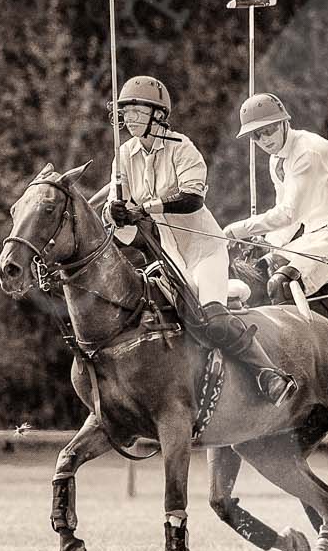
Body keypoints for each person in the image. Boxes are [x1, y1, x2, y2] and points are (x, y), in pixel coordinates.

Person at [108, 74, 294, 407]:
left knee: (212, 318)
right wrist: (116, 214)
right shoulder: (123, 155)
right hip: (168, 254)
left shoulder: (182, 148)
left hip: (205, 249)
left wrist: (145, 207)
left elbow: (191, 198)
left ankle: (269, 374)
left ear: (158, 115)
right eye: (126, 112)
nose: (129, 119)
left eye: (137, 111)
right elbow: (118, 213)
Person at [223, 92, 328, 302]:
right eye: (256, 135)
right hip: (311, 238)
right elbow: (286, 224)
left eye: (269, 129)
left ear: (284, 123)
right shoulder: (277, 161)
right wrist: (267, 244)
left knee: (283, 284)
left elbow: (289, 214)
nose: (264, 139)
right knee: (257, 274)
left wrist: (235, 230)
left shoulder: (307, 152)